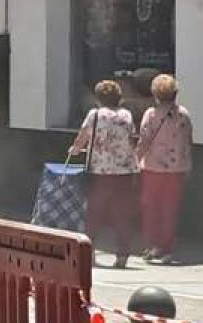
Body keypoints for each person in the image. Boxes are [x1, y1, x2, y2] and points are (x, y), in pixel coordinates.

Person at [68, 79, 138, 268]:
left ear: (98, 98)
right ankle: (122, 255)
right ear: (119, 97)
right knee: (122, 215)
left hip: (99, 172)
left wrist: (75, 149)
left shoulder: (95, 114)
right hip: (123, 172)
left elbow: (83, 136)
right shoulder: (126, 115)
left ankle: (88, 253)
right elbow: (132, 140)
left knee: (94, 214)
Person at [136, 73, 193, 265]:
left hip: (152, 167)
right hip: (177, 168)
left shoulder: (151, 114)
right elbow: (188, 140)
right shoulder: (183, 114)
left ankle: (153, 245)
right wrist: (188, 164)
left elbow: (144, 140)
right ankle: (167, 248)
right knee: (170, 209)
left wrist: (135, 159)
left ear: (155, 94)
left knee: (150, 207)